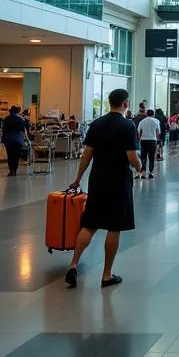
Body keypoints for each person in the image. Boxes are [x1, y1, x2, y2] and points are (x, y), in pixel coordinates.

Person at [65, 88, 142, 288]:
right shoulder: (128, 126)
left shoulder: (97, 124)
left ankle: (73, 264)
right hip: (118, 182)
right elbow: (132, 157)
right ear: (125, 104)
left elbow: (86, 154)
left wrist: (77, 178)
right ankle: (107, 275)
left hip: (97, 180)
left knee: (90, 224)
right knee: (114, 227)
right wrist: (140, 167)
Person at [1, 105, 29, 176]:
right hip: (18, 139)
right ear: (18, 111)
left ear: (10, 111)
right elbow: (23, 130)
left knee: (10, 155)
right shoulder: (20, 119)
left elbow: (3, 130)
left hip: (8, 139)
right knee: (16, 155)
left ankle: (11, 170)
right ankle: (15, 169)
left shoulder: (6, 119)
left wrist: (2, 140)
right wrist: (26, 138)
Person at [137, 109, 160, 178]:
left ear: (146, 114)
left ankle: (143, 172)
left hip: (143, 140)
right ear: (153, 114)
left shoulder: (142, 121)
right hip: (152, 140)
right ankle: (151, 173)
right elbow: (158, 132)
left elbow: (139, 131)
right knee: (151, 157)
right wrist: (158, 140)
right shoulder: (156, 121)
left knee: (143, 156)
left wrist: (139, 139)